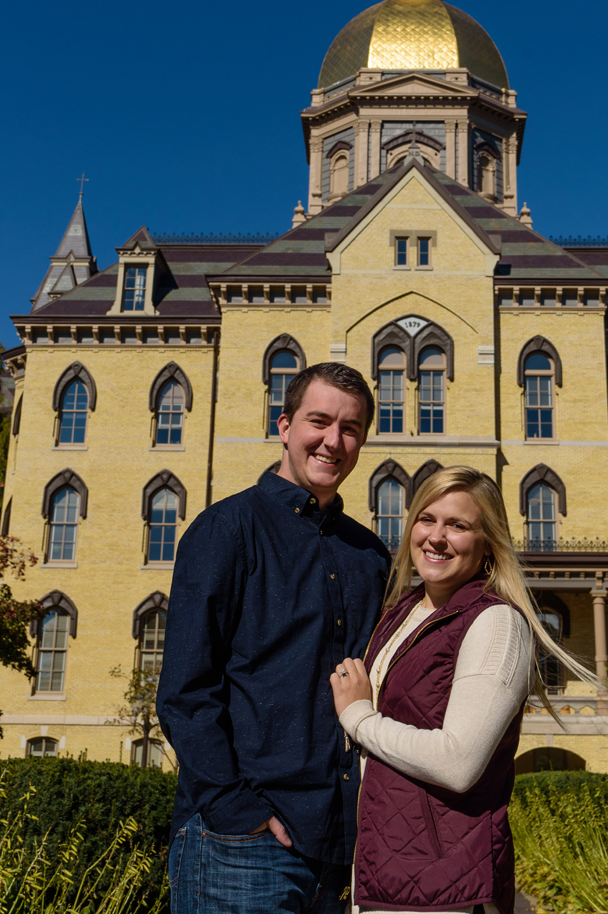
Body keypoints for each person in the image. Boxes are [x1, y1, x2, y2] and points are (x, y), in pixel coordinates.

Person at [159, 362, 390, 914]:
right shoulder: (225, 530)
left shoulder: (370, 555)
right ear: (284, 426)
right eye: (319, 421)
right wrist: (238, 810)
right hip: (240, 844)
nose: (333, 441)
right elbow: (186, 693)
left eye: (351, 428)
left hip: (336, 848)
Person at [328, 467, 590, 914]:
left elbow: (458, 762)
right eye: (426, 519)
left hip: (444, 887)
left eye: (458, 525)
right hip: (382, 874)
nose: (436, 537)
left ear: (488, 541)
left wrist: (359, 718)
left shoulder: (496, 623)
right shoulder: (403, 611)